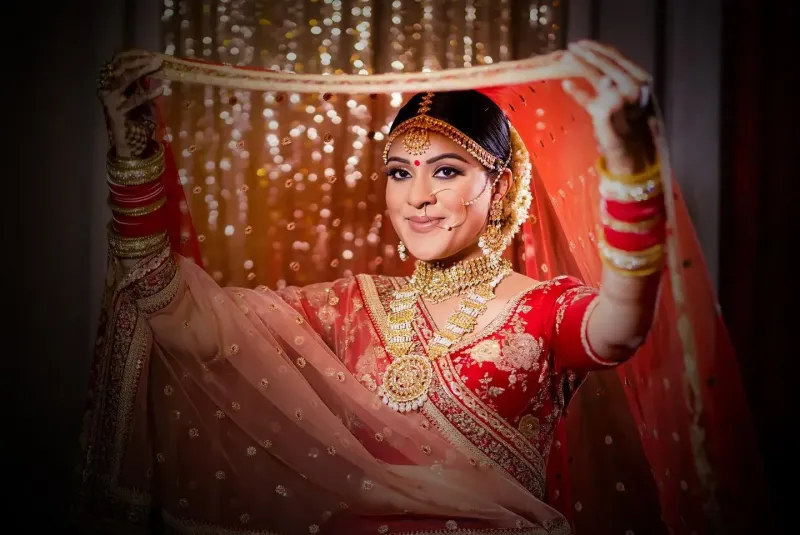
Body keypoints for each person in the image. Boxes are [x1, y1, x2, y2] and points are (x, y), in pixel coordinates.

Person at [72, 43, 768, 534]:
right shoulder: (348, 305)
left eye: (446, 170)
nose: (418, 197)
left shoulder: (541, 308)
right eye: (399, 173)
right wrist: (133, 165)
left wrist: (630, 174)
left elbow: (622, 322)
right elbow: (181, 318)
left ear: (499, 189)